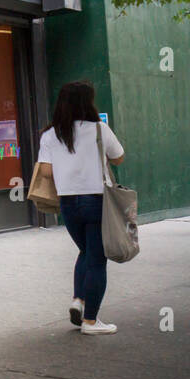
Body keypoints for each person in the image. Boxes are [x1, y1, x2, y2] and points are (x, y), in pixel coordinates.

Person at [36, 81, 125, 335]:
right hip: (96, 201)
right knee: (97, 260)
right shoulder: (99, 129)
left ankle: (79, 299)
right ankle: (91, 321)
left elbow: (45, 171)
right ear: (88, 102)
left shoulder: (50, 134)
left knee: (85, 251)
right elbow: (119, 157)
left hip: (68, 203)